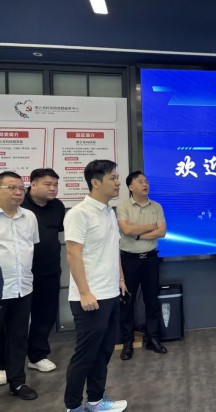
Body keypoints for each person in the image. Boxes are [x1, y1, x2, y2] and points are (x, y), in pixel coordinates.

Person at [63, 160, 127, 412]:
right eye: (113, 178)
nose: (118, 182)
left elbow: (114, 249)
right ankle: (73, 406)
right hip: (90, 297)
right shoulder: (79, 213)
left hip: (110, 293)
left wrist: (120, 279)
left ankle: (95, 400)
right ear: (95, 182)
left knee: (104, 351)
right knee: (86, 354)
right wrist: (85, 292)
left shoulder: (109, 212)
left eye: (117, 177)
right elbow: (73, 254)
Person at [117, 171, 167, 360]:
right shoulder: (123, 206)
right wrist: (150, 227)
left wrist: (137, 234)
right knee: (127, 301)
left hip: (150, 259)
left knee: (152, 300)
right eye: (140, 182)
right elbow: (126, 229)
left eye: (146, 181)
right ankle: (127, 342)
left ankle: (153, 338)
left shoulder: (156, 206)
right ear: (131, 187)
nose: (145, 184)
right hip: (129, 260)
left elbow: (162, 232)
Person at [21, 168, 65, 372]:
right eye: (48, 184)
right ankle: (4, 362)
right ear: (33, 184)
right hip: (21, 272)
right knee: (13, 317)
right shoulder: (20, 204)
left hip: (49, 270)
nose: (53, 188)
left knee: (45, 315)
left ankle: (37, 355)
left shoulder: (57, 206)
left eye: (55, 185)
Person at [0, 171, 39, 400]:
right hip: (1, 288)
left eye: (21, 188)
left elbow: (30, 247)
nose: (18, 192)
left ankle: (17, 382)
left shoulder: (29, 217)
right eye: (11, 188)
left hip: (23, 286)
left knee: (18, 337)